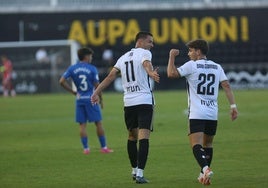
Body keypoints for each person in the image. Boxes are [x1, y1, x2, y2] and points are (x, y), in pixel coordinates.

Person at [91, 31, 160, 184]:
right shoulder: (145, 53)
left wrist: (96, 92)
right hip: (144, 101)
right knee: (144, 137)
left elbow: (110, 76)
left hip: (128, 103)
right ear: (140, 42)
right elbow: (146, 64)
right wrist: (150, 72)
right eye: (150, 41)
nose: (152, 45)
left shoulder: (123, 57)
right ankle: (140, 174)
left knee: (131, 137)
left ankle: (134, 170)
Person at [167, 39, 238, 186]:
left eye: (190, 50)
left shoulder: (192, 65)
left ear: (198, 51)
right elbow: (226, 85)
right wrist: (233, 106)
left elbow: (171, 74)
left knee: (196, 144)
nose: (188, 54)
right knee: (208, 144)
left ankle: (205, 169)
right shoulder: (217, 67)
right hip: (212, 112)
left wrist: (172, 56)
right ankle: (202, 175)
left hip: (197, 112)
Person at [59, 47, 113, 155]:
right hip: (91, 98)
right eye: (91, 56)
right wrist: (101, 99)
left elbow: (61, 81)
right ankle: (104, 147)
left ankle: (86, 149)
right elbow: (97, 85)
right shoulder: (92, 68)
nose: (91, 58)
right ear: (87, 56)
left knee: (82, 125)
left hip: (79, 99)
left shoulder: (72, 68)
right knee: (98, 123)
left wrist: (73, 92)